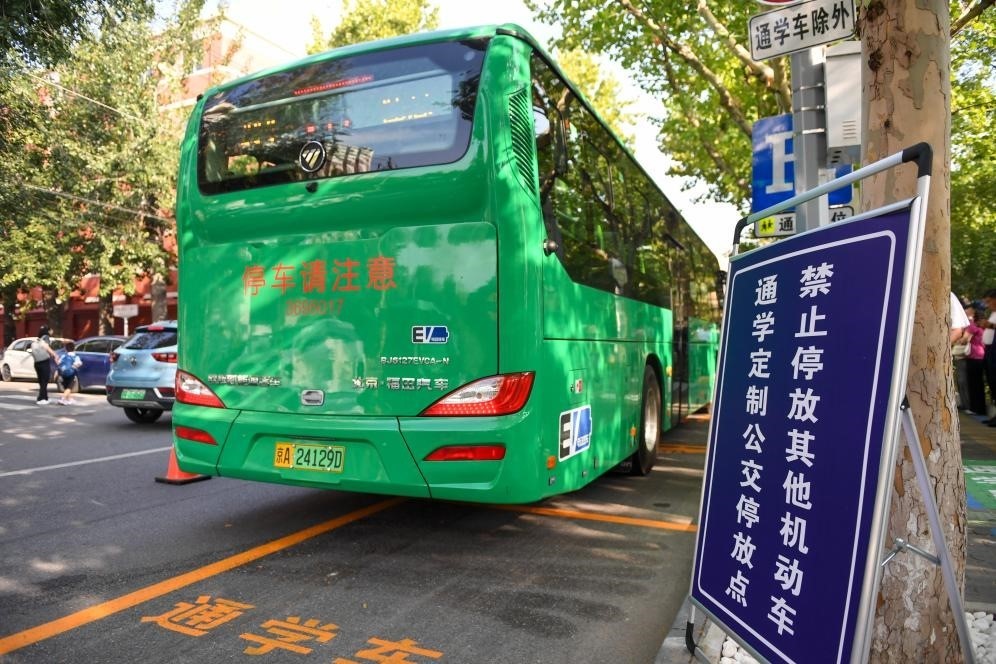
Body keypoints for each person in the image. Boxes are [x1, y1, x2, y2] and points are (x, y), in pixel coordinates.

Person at [962, 301, 988, 416]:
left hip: (973, 356)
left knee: (973, 383)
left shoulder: (972, 326)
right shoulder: (985, 326)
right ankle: (981, 409)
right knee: (979, 384)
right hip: (983, 355)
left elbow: (964, 339)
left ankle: (974, 408)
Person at [30, 325, 60, 405]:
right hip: (44, 362)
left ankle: (45, 397)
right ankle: (40, 399)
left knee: (41, 381)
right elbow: (49, 349)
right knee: (44, 381)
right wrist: (55, 356)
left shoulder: (35, 342)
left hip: (37, 363)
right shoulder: (45, 339)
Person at [980, 289, 996, 426]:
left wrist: (990, 325)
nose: (988, 305)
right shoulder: (992, 313)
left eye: (989, 301)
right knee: (992, 382)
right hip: (990, 350)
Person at [55, 340, 83, 405]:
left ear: (66, 349)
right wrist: (74, 366)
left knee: (66, 387)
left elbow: (59, 363)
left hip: (63, 373)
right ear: (74, 348)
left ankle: (69, 399)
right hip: (71, 373)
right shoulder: (75, 356)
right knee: (69, 387)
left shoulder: (63, 356)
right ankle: (62, 399)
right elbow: (79, 363)